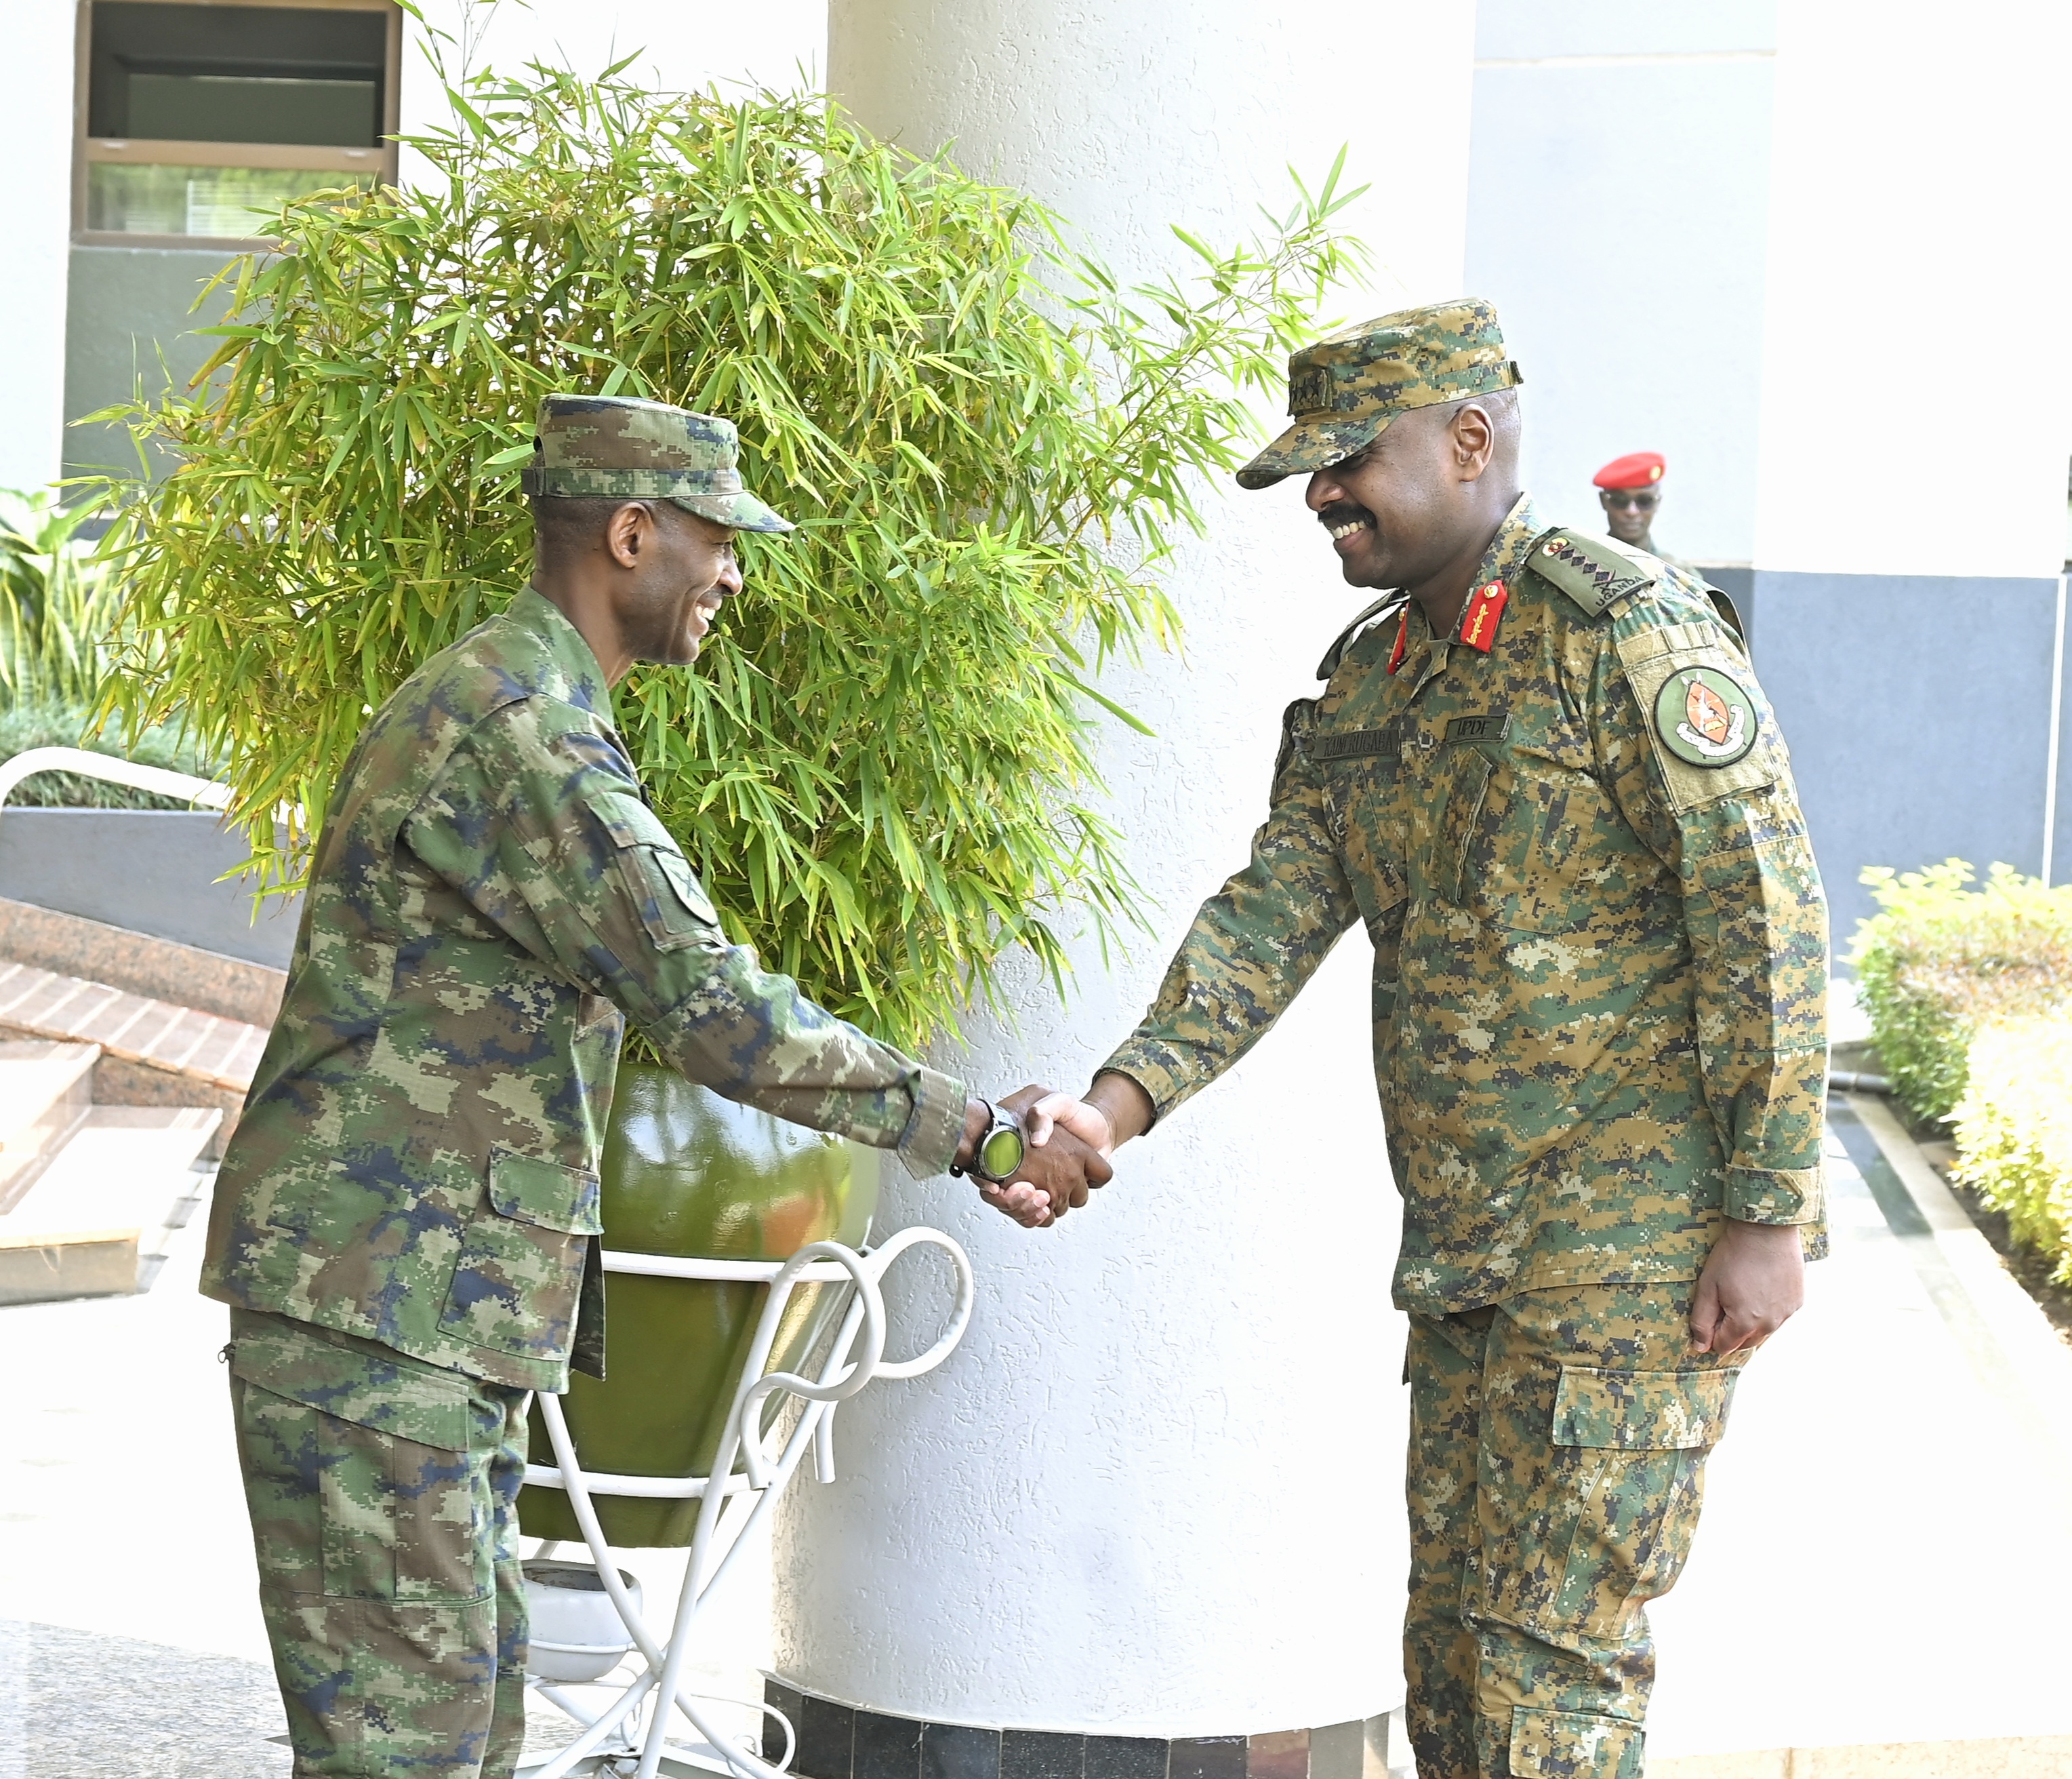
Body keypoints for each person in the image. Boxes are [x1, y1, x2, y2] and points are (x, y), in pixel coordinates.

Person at [201, 394, 1108, 1778]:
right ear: (632, 534)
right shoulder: (522, 735)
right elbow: (712, 1007)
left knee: (458, 1742)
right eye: (716, 538)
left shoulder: (526, 704)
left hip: (411, 1316)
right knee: (410, 1754)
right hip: (378, 1320)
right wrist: (973, 1131)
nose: (732, 571)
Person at [1009, 302, 1828, 1779]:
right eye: (1309, 472)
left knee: (1545, 1681)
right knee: (1450, 1672)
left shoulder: (1620, 631)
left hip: (1630, 1255)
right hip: (1466, 1260)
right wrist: (1112, 1108)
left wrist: (1766, 1211)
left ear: (1465, 440)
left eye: (1346, 462)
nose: (1322, 495)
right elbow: (1268, 915)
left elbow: (1761, 912)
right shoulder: (1373, 678)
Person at [1593, 449, 1678, 563]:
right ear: (1603, 501)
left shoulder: (1675, 571)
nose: (1632, 512)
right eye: (1620, 501)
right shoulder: (1580, 564)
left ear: (1657, 503)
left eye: (1644, 501)